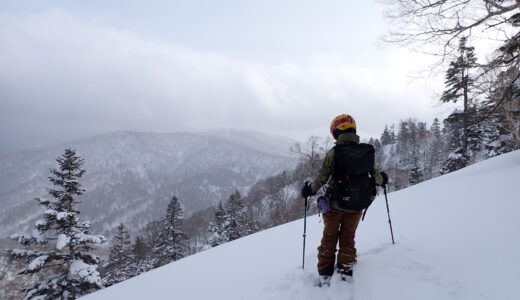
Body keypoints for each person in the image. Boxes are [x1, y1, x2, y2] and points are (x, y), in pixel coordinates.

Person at [301, 114, 388, 284]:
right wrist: (384, 179)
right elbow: (378, 178)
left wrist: (309, 190)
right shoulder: (365, 152)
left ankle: (325, 273)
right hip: (357, 206)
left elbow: (322, 177)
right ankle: (345, 270)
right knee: (348, 237)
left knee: (329, 236)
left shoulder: (334, 153)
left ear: (336, 132)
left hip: (334, 206)